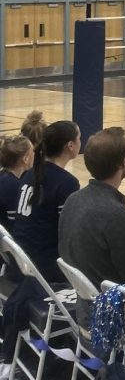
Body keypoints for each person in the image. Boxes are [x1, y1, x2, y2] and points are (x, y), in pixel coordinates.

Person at [58, 128, 125, 326]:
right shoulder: (118, 215)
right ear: (123, 163)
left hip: (85, 309)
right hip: (115, 319)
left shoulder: (73, 199)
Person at [13, 120, 81, 284]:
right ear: (71, 145)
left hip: (21, 258)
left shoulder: (30, 173)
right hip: (46, 265)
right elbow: (71, 234)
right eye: (79, 137)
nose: (81, 142)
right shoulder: (66, 183)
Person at [0, 136, 34, 232]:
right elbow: (15, 224)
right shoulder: (13, 186)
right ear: (26, 159)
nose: (35, 154)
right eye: (33, 151)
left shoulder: (4, 175)